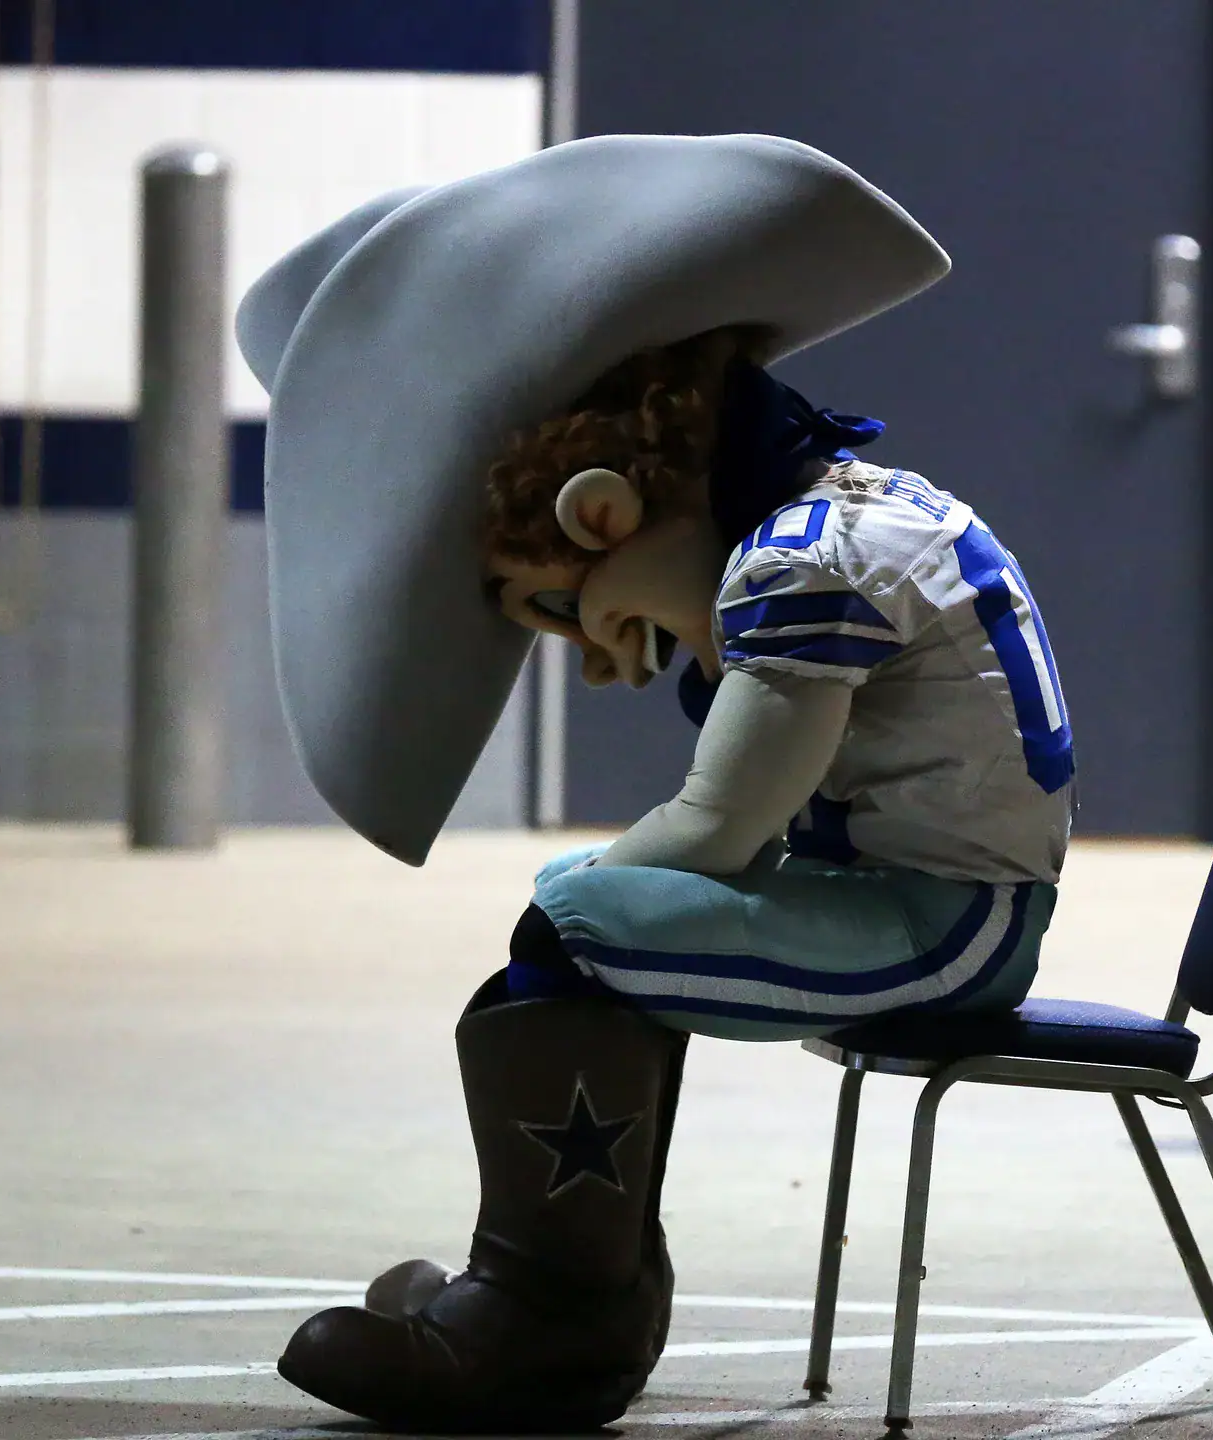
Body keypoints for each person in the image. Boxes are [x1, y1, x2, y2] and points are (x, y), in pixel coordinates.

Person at [235, 133, 1073, 1433]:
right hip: (933, 903)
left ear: (600, 516)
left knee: (573, 921)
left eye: (556, 612)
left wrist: (567, 904)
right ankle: (579, 1287)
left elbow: (720, 820)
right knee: (596, 918)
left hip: (939, 931)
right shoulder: (848, 512)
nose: (590, 659)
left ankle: (546, 1316)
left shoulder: (802, 565)